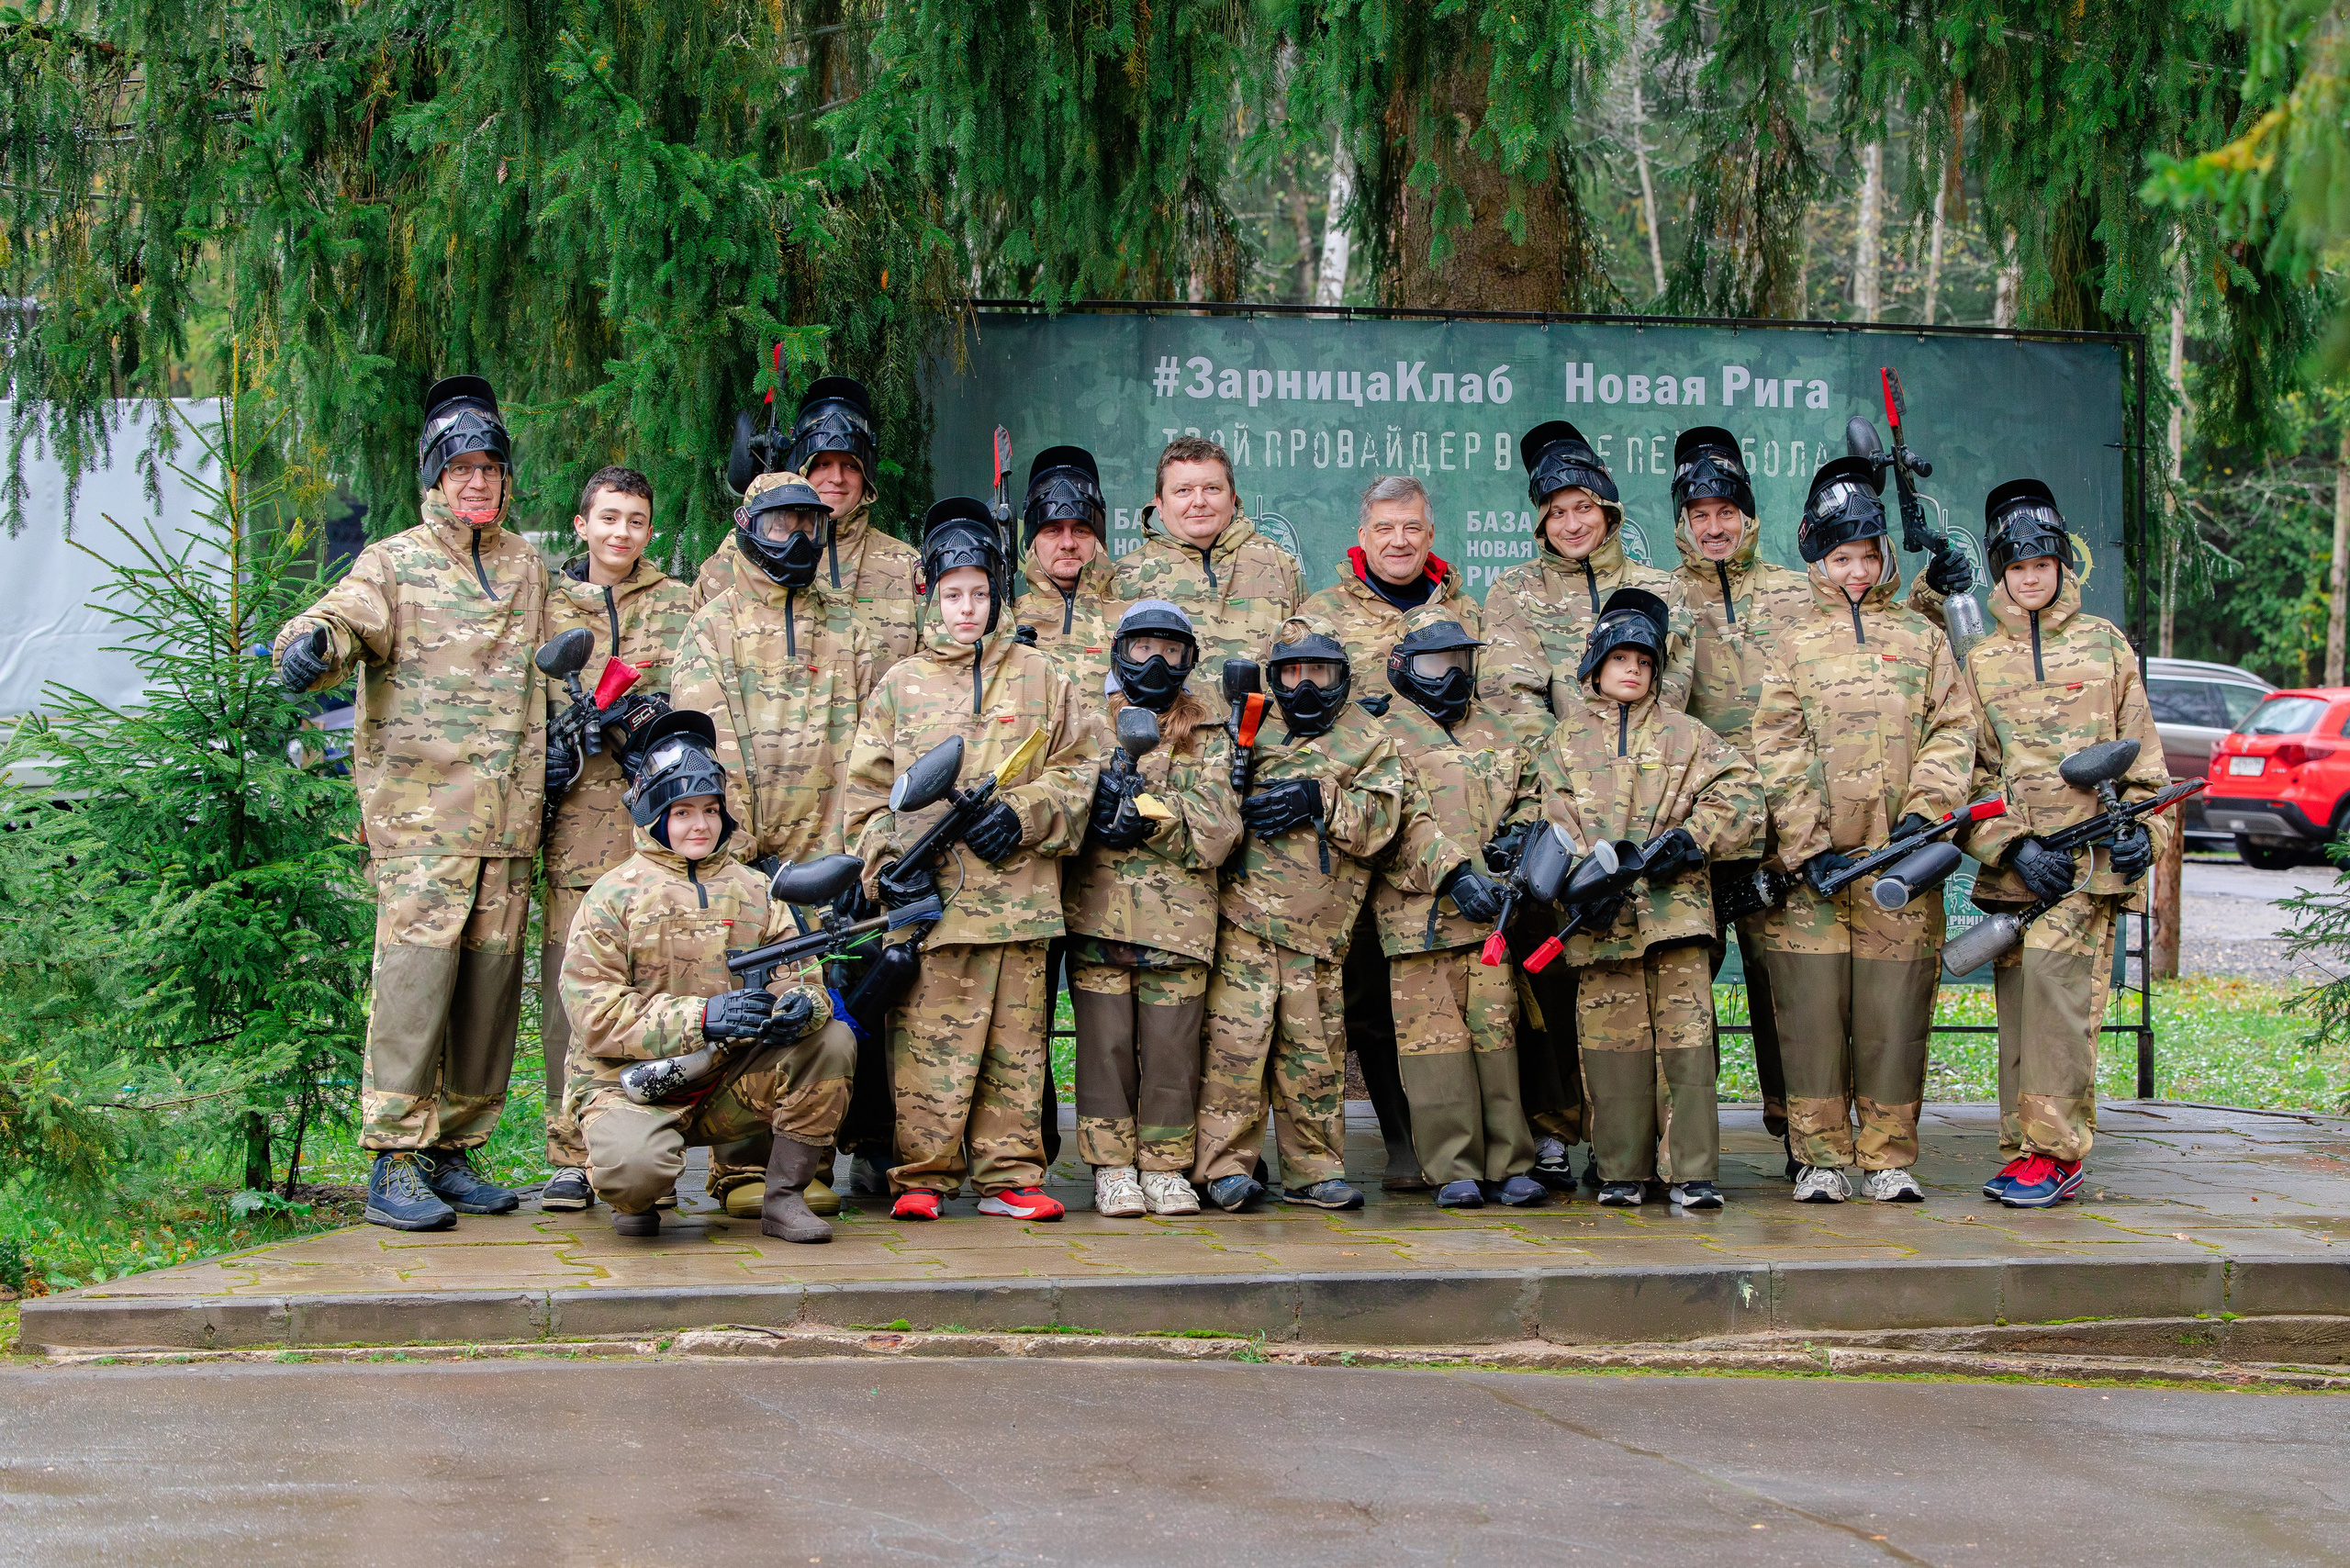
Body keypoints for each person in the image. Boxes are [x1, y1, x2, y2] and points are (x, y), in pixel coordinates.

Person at [274, 375, 549, 1232]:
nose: (477, 483)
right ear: (434, 477)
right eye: (460, 469)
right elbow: (338, 621)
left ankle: (453, 1148)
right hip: (422, 823)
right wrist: (308, 646)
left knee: (487, 989)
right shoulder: (393, 563)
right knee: (417, 982)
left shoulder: (526, 565)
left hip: (508, 818)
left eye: (490, 469)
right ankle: (394, 1156)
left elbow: (589, 632)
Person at [842, 498, 1097, 1221]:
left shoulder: (1044, 678)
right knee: (928, 1050)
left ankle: (1010, 1176)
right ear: (931, 593)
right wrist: (892, 860)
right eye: (953, 594)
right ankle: (922, 1174)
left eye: (979, 593)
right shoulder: (900, 684)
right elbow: (865, 797)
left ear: (997, 594)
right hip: (934, 911)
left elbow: (1082, 771)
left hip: (1020, 905)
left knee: (1016, 1053)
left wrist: (1022, 815)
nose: (967, 608)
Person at [1752, 458, 1977, 1204]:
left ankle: (1887, 1156)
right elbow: (1776, 747)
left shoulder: (1922, 639)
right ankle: (1819, 1156)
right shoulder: (1791, 644)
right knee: (1812, 1019)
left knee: (1894, 1015)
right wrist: (1806, 847)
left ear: (1885, 558)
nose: (1855, 570)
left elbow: (1954, 730)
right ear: (1817, 560)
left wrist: (1923, 816)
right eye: (1840, 557)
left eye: (1868, 556)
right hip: (1811, 878)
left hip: (1900, 869)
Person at [670, 469, 881, 1216]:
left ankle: (808, 1157)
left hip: (832, 858)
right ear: (748, 528)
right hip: (746, 858)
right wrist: (748, 852)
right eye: (778, 526)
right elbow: (709, 742)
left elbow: (872, 744)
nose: (794, 540)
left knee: (821, 1007)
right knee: (744, 999)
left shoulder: (848, 623)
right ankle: (737, 1166)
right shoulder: (715, 625)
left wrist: (854, 848)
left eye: (808, 525)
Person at [561, 711, 856, 1242]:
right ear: (655, 816)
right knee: (634, 1173)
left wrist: (799, 1008)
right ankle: (639, 1190)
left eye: (711, 810)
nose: (701, 825)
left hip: (728, 1085)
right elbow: (595, 1017)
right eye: (682, 812)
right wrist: (703, 1017)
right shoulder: (612, 896)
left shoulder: (758, 891)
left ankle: (783, 1199)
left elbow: (805, 981)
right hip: (629, 1088)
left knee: (831, 1040)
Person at [1959, 481, 2167, 1210]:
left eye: (2043, 563)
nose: (2032, 577)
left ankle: (2055, 1154)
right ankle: (2024, 1149)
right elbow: (1969, 778)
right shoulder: (1981, 662)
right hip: (2020, 873)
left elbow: (2146, 769)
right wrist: (2010, 848)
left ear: (2062, 563)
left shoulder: (2105, 644)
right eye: (2017, 568)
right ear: (1999, 573)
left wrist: (2143, 836)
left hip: (2089, 874)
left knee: (2056, 996)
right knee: (2022, 1013)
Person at [1525, 589, 1761, 1209]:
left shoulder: (1691, 736)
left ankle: (1692, 1175)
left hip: (1677, 919)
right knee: (1610, 1051)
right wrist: (1581, 881)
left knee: (1686, 1048)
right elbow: (1547, 821)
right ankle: (1620, 1170)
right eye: (1620, 658)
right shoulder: (1562, 743)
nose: (1632, 670)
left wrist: (1693, 837)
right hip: (1597, 924)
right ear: (1594, 666)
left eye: (1644, 661)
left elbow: (1743, 799)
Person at [1196, 615, 1430, 1213]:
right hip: (1241, 925)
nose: (1304, 687)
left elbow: (1382, 824)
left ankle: (1314, 1172)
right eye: (1291, 673)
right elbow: (1203, 806)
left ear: (1342, 676)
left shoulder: (1368, 742)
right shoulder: (1247, 728)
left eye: (1318, 672)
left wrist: (1316, 796)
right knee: (1235, 1051)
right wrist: (1235, 774)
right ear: (1272, 678)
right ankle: (1224, 1167)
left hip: (1320, 938)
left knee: (1314, 1056)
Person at [1299, 474, 1483, 1193]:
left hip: (1441, 831)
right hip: (1355, 829)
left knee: (1448, 1001)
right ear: (1362, 535)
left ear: (1429, 535)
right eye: (1385, 529)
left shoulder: (1465, 611)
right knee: (1368, 1000)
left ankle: (1467, 1148)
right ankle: (1403, 1143)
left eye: (1411, 528)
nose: (1399, 541)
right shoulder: (1320, 612)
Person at [535, 466, 696, 1215]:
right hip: (576, 830)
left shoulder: (679, 604)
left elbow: (702, 698)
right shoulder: (548, 604)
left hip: (660, 834)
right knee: (577, 998)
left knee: (661, 988)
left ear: (650, 530)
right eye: (608, 518)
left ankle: (647, 1144)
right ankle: (571, 1152)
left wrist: (653, 723)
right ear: (581, 524)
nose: (620, 533)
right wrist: (558, 747)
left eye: (635, 519)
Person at [1063, 601, 1241, 1216]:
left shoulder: (1212, 737)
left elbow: (1218, 833)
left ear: (1190, 659)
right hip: (1098, 917)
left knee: (1172, 1053)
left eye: (1171, 649)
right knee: (1104, 1050)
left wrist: (1148, 813)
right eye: (1143, 648)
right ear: (1119, 655)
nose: (1157, 661)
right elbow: (1059, 810)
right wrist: (1097, 809)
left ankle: (1165, 1169)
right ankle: (1112, 1169)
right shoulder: (1088, 728)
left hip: (1180, 926)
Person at [1667, 426, 1810, 1165]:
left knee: (1781, 981)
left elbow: (1870, 632)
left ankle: (1798, 1128)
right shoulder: (1662, 596)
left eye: (1726, 511)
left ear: (1748, 515)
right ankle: (1685, 1147)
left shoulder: (1795, 592)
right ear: (1683, 524)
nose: (1714, 527)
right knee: (1683, 991)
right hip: (1693, 827)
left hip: (1781, 826)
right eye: (1699, 515)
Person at [1369, 612, 1546, 1208]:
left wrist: (1519, 836)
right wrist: (1452, 872)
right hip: (1416, 922)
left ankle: (1512, 1162)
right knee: (1433, 1047)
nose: (1449, 677)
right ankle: (1452, 1168)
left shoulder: (1497, 730)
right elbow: (1392, 820)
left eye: (1459, 663)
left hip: (1493, 920)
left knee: (1497, 1038)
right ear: (1403, 670)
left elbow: (1532, 793)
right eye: (1433, 664)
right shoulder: (1383, 736)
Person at [1482, 420, 1693, 732]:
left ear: (1607, 511)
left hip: (1647, 772)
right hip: (1554, 775)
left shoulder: (1663, 589)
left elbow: (1668, 695)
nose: (1572, 526)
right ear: (1543, 521)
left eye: (1583, 507)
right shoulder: (1515, 590)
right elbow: (1512, 699)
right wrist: (1565, 769)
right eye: (1557, 513)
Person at [698, 376, 922, 668]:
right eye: (822, 464)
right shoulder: (749, 549)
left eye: (851, 465)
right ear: (802, 468)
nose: (837, 478)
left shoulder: (906, 565)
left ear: (867, 474)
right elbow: (703, 638)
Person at [1115, 435, 1304, 667]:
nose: (1198, 501)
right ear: (1160, 505)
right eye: (1183, 490)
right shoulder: (1126, 576)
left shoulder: (1278, 564)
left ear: (1232, 497)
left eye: (1212, 488)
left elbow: (1306, 662)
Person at [1011, 445, 1119, 699]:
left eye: (1081, 530)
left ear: (1099, 540)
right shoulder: (1005, 621)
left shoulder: (1131, 621)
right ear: (1032, 540)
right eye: (1053, 530)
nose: (1068, 543)